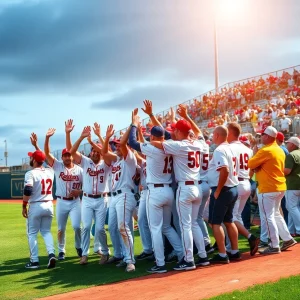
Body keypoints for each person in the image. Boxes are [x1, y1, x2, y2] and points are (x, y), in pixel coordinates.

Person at [150, 104, 209, 271]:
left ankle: (189, 260)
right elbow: (197, 133)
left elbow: (158, 142)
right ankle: (203, 256)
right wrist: (187, 117)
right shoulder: (197, 143)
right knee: (194, 225)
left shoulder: (179, 146)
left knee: (185, 225)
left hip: (185, 188)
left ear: (180, 132)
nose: (173, 131)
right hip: (197, 186)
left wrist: (145, 140)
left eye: (175, 129)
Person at [129, 108, 184, 273]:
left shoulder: (152, 148)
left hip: (155, 192)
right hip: (168, 191)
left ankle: (160, 264)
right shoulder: (170, 146)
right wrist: (152, 117)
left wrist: (134, 123)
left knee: (156, 228)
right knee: (167, 227)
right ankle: (182, 254)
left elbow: (132, 142)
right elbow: (166, 136)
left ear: (152, 137)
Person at [248, 126, 297, 254]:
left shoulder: (266, 150)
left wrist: (255, 154)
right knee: (275, 214)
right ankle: (287, 238)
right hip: (280, 186)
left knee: (268, 216)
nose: (261, 137)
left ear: (268, 136)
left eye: (263, 135)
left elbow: (251, 164)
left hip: (268, 187)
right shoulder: (280, 149)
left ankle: (274, 245)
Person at [70, 125, 111, 265]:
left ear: (100, 152)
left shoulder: (106, 163)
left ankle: (105, 252)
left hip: (101, 199)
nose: (93, 153)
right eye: (92, 151)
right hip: (87, 199)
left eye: (96, 151)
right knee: (86, 227)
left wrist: (98, 139)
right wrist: (82, 137)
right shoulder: (86, 162)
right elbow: (72, 151)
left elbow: (107, 153)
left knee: (100, 229)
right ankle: (85, 254)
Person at [102, 124, 138, 273]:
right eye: (115, 145)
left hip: (125, 195)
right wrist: (107, 138)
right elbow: (104, 152)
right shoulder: (116, 161)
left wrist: (132, 125)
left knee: (123, 227)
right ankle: (124, 256)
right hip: (115, 197)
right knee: (115, 228)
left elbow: (123, 145)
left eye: (118, 145)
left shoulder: (129, 159)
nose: (116, 147)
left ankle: (130, 261)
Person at [44, 125, 83, 260]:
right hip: (61, 201)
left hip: (75, 202)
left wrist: (80, 190)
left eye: (69, 155)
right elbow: (47, 154)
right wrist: (47, 138)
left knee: (77, 226)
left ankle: (78, 246)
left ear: (72, 156)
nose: (67, 157)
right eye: (65, 155)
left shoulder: (80, 170)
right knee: (61, 228)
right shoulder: (58, 166)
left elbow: (87, 185)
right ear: (62, 157)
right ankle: (61, 250)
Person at [207, 126, 239, 264]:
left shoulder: (220, 149)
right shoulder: (231, 147)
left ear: (218, 135)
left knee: (215, 222)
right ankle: (235, 251)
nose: (212, 137)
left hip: (224, 189)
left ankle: (222, 254)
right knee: (229, 221)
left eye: (214, 134)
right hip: (233, 187)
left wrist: (218, 190)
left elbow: (224, 170)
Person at [226, 124, 260, 257]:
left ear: (230, 133)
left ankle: (250, 237)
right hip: (246, 181)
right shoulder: (247, 149)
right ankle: (230, 246)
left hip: (236, 183)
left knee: (230, 217)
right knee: (237, 216)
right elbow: (252, 169)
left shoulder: (229, 147)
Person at [22, 137, 56, 269]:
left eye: (32, 157)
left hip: (36, 205)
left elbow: (28, 189)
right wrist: (36, 146)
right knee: (46, 232)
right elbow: (44, 158)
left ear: (34, 160)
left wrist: (24, 205)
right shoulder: (50, 171)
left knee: (32, 233)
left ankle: (34, 261)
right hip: (49, 204)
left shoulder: (30, 173)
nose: (30, 159)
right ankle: (51, 254)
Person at [284, 137, 300, 237]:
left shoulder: (291, 155)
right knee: (293, 207)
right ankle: (291, 230)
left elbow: (287, 171)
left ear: (293, 145)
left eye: (288, 143)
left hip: (292, 184)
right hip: (297, 184)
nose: (287, 145)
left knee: (291, 207)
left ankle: (298, 229)